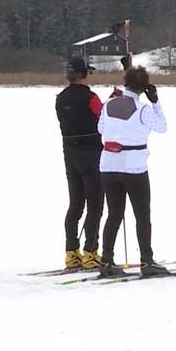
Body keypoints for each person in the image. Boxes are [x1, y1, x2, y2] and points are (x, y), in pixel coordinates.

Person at [97, 66, 170, 277]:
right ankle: (147, 261)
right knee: (142, 215)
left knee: (114, 214)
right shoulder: (144, 110)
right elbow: (162, 127)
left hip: (108, 165)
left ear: (125, 82)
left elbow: (101, 128)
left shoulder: (108, 104)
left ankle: (107, 260)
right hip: (134, 167)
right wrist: (155, 103)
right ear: (144, 87)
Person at [55, 57, 105, 270]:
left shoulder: (60, 98)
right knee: (95, 204)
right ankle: (90, 252)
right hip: (91, 153)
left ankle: (71, 253)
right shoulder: (90, 98)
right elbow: (104, 119)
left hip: (70, 154)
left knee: (75, 204)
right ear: (84, 74)